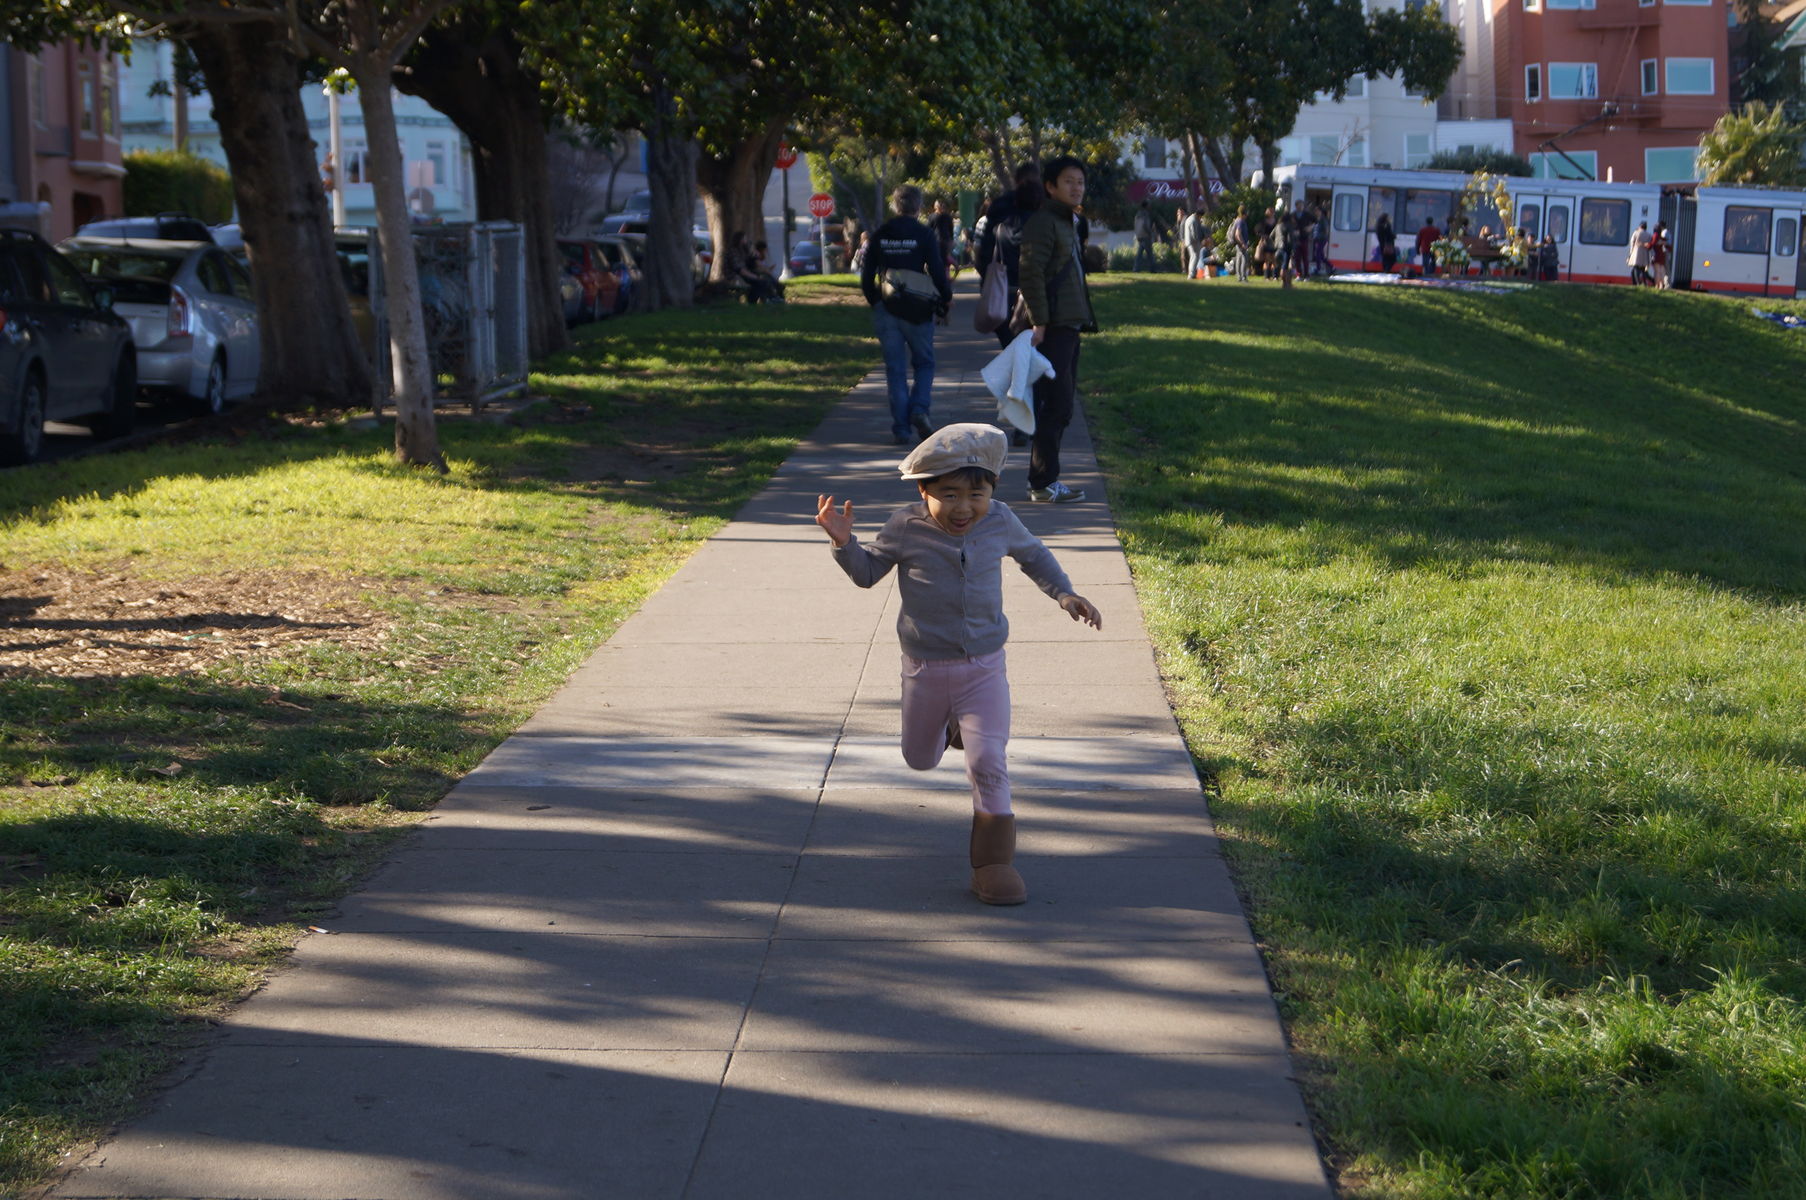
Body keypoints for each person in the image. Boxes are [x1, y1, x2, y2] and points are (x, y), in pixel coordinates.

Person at [815, 424, 1103, 905]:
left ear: (992, 490)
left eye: (976, 493)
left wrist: (1066, 593)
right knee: (919, 759)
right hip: (924, 667)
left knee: (989, 762)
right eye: (948, 494)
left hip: (985, 667)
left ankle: (993, 865)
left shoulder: (1002, 520)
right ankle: (951, 728)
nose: (963, 507)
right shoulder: (905, 526)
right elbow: (867, 575)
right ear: (924, 490)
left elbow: (1035, 556)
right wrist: (845, 545)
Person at [1018, 154, 1098, 504]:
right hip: (1054, 326)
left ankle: (1044, 480)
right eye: (1068, 181)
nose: (1076, 187)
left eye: (1080, 181)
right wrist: (1039, 321)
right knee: (1058, 403)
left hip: (1069, 322)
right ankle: (1042, 482)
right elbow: (1030, 272)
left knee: (1061, 404)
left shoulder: (1067, 221)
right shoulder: (1044, 222)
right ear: (1050, 186)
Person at [860, 184, 953, 445]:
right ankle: (920, 409)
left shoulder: (881, 234)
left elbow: (868, 274)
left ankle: (901, 428)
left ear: (895, 205)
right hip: (918, 308)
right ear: (919, 206)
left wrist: (875, 301)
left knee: (895, 369)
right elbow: (936, 270)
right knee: (924, 363)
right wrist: (945, 299)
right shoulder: (924, 234)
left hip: (887, 306)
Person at [725, 231, 779, 303]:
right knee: (759, 282)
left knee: (766, 278)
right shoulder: (733, 252)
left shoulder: (744, 250)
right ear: (740, 240)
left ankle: (773, 296)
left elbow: (754, 261)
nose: (746, 241)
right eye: (744, 239)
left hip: (745, 273)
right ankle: (755, 301)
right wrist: (756, 277)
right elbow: (741, 270)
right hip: (735, 276)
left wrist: (754, 254)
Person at [929, 198, 957, 279]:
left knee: (943, 258)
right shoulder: (939, 217)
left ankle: (945, 275)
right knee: (943, 258)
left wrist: (951, 240)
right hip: (941, 240)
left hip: (942, 240)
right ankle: (945, 274)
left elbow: (950, 229)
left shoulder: (945, 217)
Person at [1292, 201, 1313, 281]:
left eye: (1302, 205)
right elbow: (1290, 224)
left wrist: (1310, 227)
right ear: (1296, 206)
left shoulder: (1307, 214)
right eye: (1299, 205)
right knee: (1297, 258)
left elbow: (1315, 221)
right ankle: (1299, 275)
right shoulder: (1293, 215)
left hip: (1304, 238)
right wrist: (1293, 231)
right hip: (1296, 239)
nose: (1300, 207)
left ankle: (1307, 275)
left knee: (1305, 258)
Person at [1229, 204, 1251, 281]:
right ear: (1244, 213)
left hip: (1238, 244)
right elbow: (1237, 234)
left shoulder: (1238, 220)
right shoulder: (1240, 221)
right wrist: (1243, 243)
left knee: (1239, 259)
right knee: (1244, 260)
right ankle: (1243, 277)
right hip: (1241, 244)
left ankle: (1239, 277)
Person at [1132, 200, 1156, 272]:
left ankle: (1136, 268)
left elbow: (1135, 225)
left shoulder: (1137, 215)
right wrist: (1150, 233)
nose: (1150, 206)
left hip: (1139, 235)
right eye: (1149, 205)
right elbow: (1145, 225)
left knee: (1139, 254)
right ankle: (1152, 269)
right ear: (1146, 206)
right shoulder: (1145, 214)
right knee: (1150, 254)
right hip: (1145, 236)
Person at [1628, 220, 1652, 286]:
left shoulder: (1636, 233)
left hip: (1636, 253)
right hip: (1644, 254)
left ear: (1640, 226)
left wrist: (1630, 253)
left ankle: (1637, 283)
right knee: (1643, 269)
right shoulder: (1649, 235)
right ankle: (1644, 283)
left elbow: (1632, 243)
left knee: (1636, 268)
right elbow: (1650, 245)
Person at [1311, 202, 1331, 276]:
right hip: (1316, 239)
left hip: (1321, 239)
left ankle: (1318, 269)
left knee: (1318, 254)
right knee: (1321, 255)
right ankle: (1331, 266)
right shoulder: (1316, 219)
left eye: (1317, 211)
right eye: (1315, 211)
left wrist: (1325, 237)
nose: (1315, 212)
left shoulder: (1323, 219)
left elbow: (1326, 229)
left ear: (1320, 211)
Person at [1650, 220, 1670, 290]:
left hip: (1656, 255)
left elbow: (1652, 244)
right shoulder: (1662, 237)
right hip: (1661, 255)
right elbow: (1668, 244)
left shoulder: (1656, 235)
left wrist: (1646, 245)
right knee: (1661, 271)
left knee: (1657, 271)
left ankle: (1657, 285)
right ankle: (1661, 285)